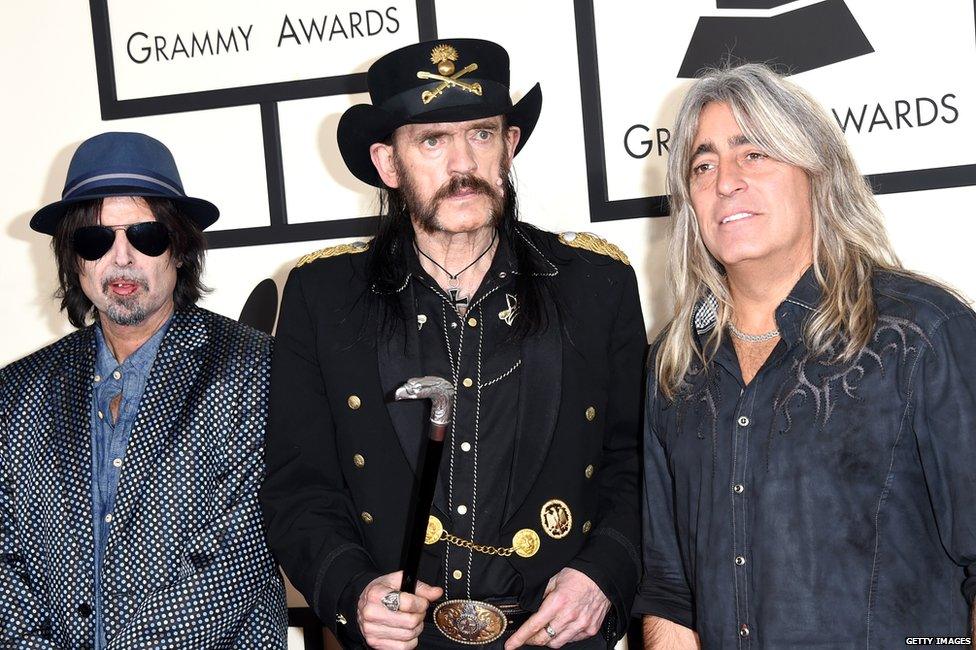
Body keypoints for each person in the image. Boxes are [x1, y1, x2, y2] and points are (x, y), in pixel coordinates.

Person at [260, 38, 646, 649]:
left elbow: (638, 464)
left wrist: (602, 574)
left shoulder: (596, 285)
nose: (461, 163)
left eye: (481, 134)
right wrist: (353, 591)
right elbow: (299, 488)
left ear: (509, 146)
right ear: (389, 165)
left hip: (553, 635)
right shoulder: (322, 296)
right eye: (432, 141)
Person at [636, 63, 976, 647]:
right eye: (704, 164)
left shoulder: (922, 333)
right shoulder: (675, 365)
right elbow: (670, 590)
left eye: (755, 153)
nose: (725, 181)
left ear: (817, 172)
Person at [0, 132, 286, 648]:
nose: (122, 258)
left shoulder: (253, 368)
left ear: (179, 248)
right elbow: (8, 562)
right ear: (74, 259)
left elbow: (233, 559)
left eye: (146, 236)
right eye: (95, 240)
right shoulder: (17, 390)